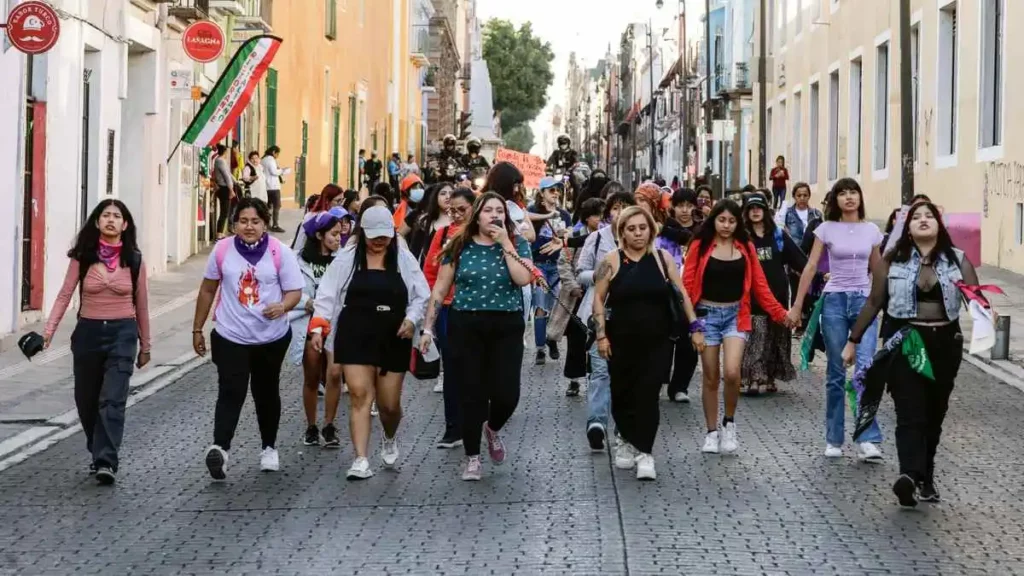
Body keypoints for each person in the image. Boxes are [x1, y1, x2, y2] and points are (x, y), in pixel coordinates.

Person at [846, 201, 992, 507]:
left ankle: (926, 475)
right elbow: (874, 303)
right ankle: (909, 476)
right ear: (907, 229)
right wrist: (853, 340)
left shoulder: (959, 261)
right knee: (909, 411)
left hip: (945, 343)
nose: (923, 220)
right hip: (907, 340)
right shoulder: (892, 261)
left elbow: (977, 304)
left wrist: (986, 330)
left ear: (939, 224)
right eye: (916, 218)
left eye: (929, 216)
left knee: (934, 414)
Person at [417, 192, 536, 481]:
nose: (494, 215)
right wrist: (428, 328)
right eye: (488, 210)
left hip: (506, 324)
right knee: (471, 394)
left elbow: (523, 279)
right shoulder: (458, 245)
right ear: (476, 216)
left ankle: (492, 429)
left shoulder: (516, 244)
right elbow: (440, 289)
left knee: (507, 394)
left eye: (500, 211)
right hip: (465, 324)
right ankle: (472, 457)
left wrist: (506, 244)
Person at [308, 205, 429, 480]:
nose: (378, 242)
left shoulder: (403, 258)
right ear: (362, 234)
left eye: (383, 236)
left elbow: (421, 294)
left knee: (389, 405)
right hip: (355, 331)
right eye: (373, 236)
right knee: (361, 395)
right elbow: (327, 293)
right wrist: (318, 327)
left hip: (393, 334)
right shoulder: (348, 257)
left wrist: (412, 320)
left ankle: (389, 434)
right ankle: (360, 459)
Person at [192, 197, 304, 480]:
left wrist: (283, 306)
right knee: (231, 390)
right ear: (234, 224)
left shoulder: (280, 252)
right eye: (243, 221)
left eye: (255, 221)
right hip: (231, 335)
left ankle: (269, 447)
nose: (249, 227)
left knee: (266, 392)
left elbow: (294, 291)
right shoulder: (222, 250)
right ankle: (221, 449)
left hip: (271, 337)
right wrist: (197, 328)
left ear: (265, 223)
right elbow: (207, 290)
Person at [43, 199, 150, 485]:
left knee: (112, 400)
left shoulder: (134, 259)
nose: (111, 220)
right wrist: (48, 331)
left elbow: (142, 305)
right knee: (86, 400)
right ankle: (97, 447)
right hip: (88, 333)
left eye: (117, 216)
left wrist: (146, 344)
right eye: (106, 215)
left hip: (123, 334)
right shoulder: (84, 256)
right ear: (97, 222)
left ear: (125, 224)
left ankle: (106, 461)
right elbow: (66, 294)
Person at [592, 206, 702, 480]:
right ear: (623, 233)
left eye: (642, 228)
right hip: (621, 341)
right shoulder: (612, 260)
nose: (638, 233)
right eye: (631, 229)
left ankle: (645, 452)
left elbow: (681, 294)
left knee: (648, 394)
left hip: (658, 339)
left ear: (651, 229)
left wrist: (695, 326)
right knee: (622, 393)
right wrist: (601, 335)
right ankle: (625, 439)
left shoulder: (663, 259)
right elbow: (598, 299)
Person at [683, 199, 792, 455]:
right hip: (706, 315)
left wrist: (781, 314)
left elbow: (760, 286)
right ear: (714, 220)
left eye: (731, 221)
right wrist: (692, 325)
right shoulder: (700, 245)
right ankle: (711, 432)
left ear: (737, 223)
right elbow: (686, 287)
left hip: (736, 315)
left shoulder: (745, 246)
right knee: (711, 376)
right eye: (722, 220)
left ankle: (729, 423)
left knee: (732, 373)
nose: (726, 226)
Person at [789, 177, 886, 462]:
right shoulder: (826, 229)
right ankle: (833, 437)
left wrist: (888, 304)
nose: (848, 197)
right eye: (842, 193)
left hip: (864, 303)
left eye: (853, 192)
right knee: (835, 371)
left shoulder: (871, 231)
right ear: (836, 200)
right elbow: (809, 267)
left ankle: (867, 437)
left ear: (860, 197)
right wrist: (796, 307)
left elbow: (878, 271)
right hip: (834, 301)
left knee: (865, 369)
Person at [576, 190, 638, 450]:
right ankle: (597, 422)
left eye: (626, 207)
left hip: (631, 314)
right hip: (600, 312)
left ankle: (625, 426)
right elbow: (581, 272)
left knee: (625, 371)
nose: (620, 213)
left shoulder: (640, 239)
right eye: (616, 208)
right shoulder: (596, 238)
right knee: (600, 370)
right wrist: (605, 275)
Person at [422, 187, 476, 445]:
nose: (454, 215)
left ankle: (477, 421)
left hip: (477, 310)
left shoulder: (485, 236)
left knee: (476, 368)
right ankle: (453, 426)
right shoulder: (442, 233)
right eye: (450, 210)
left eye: (460, 210)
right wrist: (429, 319)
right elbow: (430, 273)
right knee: (452, 368)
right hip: (447, 308)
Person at [740, 194, 806, 395]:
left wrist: (818, 276)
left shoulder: (778, 235)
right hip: (752, 297)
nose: (755, 211)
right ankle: (753, 378)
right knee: (756, 337)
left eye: (759, 207)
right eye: (751, 208)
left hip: (777, 295)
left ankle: (769, 377)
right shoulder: (742, 237)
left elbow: (799, 261)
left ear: (766, 210)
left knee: (776, 339)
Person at [289, 212, 345, 448]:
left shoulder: (343, 260)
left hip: (335, 323)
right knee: (311, 375)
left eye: (340, 233)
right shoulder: (297, 260)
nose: (338, 238)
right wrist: (308, 302)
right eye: (333, 234)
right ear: (319, 235)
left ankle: (329, 425)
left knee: (334, 374)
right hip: (307, 323)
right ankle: (311, 426)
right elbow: (287, 290)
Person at [549, 197, 605, 397]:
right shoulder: (574, 235)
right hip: (576, 295)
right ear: (588, 217)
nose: (600, 219)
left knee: (596, 337)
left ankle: (595, 376)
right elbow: (563, 264)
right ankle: (574, 380)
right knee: (576, 339)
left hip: (599, 293)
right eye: (597, 215)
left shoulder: (607, 237)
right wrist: (573, 286)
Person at [528, 176, 572, 365]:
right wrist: (547, 216)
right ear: (542, 193)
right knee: (540, 306)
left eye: (557, 190)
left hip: (557, 266)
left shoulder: (564, 214)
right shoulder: (533, 212)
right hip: (539, 265)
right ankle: (539, 349)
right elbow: (524, 220)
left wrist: (563, 238)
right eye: (551, 190)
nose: (555, 194)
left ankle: (551, 339)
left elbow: (570, 234)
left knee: (557, 306)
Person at [663, 188, 701, 402]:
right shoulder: (663, 227)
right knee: (665, 338)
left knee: (689, 341)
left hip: (693, 292)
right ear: (673, 207)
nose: (685, 210)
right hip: (666, 289)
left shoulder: (701, 230)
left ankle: (680, 387)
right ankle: (661, 378)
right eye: (680, 205)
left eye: (689, 205)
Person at [407, 182, 453, 263]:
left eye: (451, 194)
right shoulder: (425, 221)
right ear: (436, 198)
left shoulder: (460, 221)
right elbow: (415, 250)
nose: (448, 197)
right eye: (443, 194)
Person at [779, 183, 822, 247]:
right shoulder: (786, 214)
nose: (802, 198)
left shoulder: (816, 214)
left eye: (805, 195)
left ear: (809, 196)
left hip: (812, 254)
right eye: (799, 195)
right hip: (793, 253)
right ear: (794, 197)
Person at [261, 146, 286, 232]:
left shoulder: (263, 159)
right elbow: (274, 172)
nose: (278, 156)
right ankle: (275, 225)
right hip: (274, 187)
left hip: (266, 186)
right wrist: (282, 171)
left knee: (268, 206)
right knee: (277, 206)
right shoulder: (271, 160)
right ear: (274, 152)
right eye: (277, 154)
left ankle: (266, 224)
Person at [213, 144, 235, 239]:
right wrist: (231, 189)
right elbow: (226, 176)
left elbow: (229, 174)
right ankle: (219, 233)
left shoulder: (221, 161)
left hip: (224, 187)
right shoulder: (220, 161)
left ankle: (221, 232)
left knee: (225, 211)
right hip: (224, 188)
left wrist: (235, 181)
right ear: (224, 152)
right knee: (224, 211)